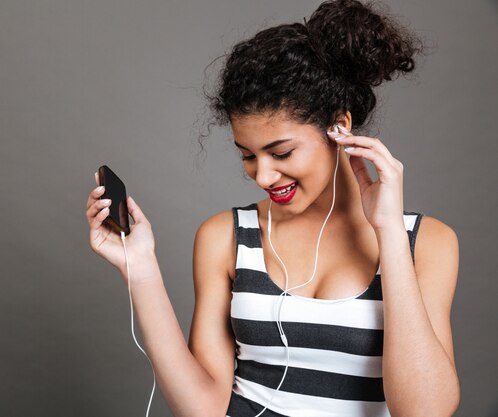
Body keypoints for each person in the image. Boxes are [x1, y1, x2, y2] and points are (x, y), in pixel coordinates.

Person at [86, 0, 460, 415]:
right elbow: (202, 408)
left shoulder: (426, 244)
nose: (262, 176)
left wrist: (388, 231)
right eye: (248, 156)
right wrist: (140, 270)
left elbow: (426, 411)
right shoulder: (225, 237)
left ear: (340, 126)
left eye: (280, 153)